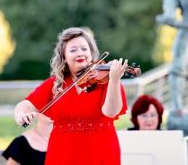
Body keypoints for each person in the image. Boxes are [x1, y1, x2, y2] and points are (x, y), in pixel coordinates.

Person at [13, 27, 128, 165]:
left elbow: (110, 112)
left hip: (101, 154)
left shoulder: (107, 80)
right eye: (73, 50)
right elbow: (26, 104)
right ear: (64, 57)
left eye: (84, 49)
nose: (80, 53)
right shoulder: (55, 84)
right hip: (63, 155)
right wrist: (21, 115)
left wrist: (115, 80)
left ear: (91, 53)